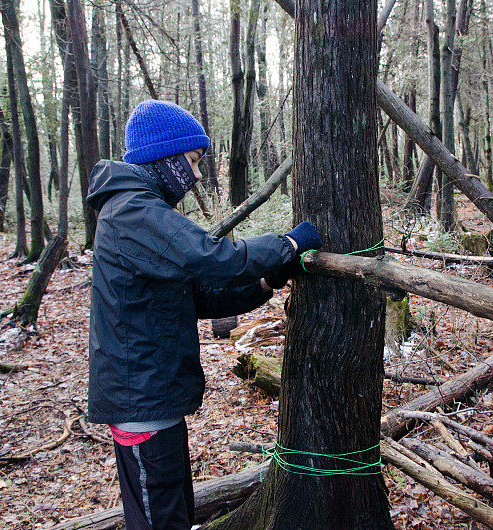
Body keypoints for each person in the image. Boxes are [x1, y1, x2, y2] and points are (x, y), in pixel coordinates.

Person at [86, 100, 321, 529]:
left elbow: (196, 297)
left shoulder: (135, 210)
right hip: (142, 400)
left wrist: (264, 284)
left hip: (151, 396)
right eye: (192, 161)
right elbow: (212, 258)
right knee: (161, 521)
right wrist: (287, 244)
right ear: (164, 156)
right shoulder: (133, 211)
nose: (196, 175)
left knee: (169, 514)